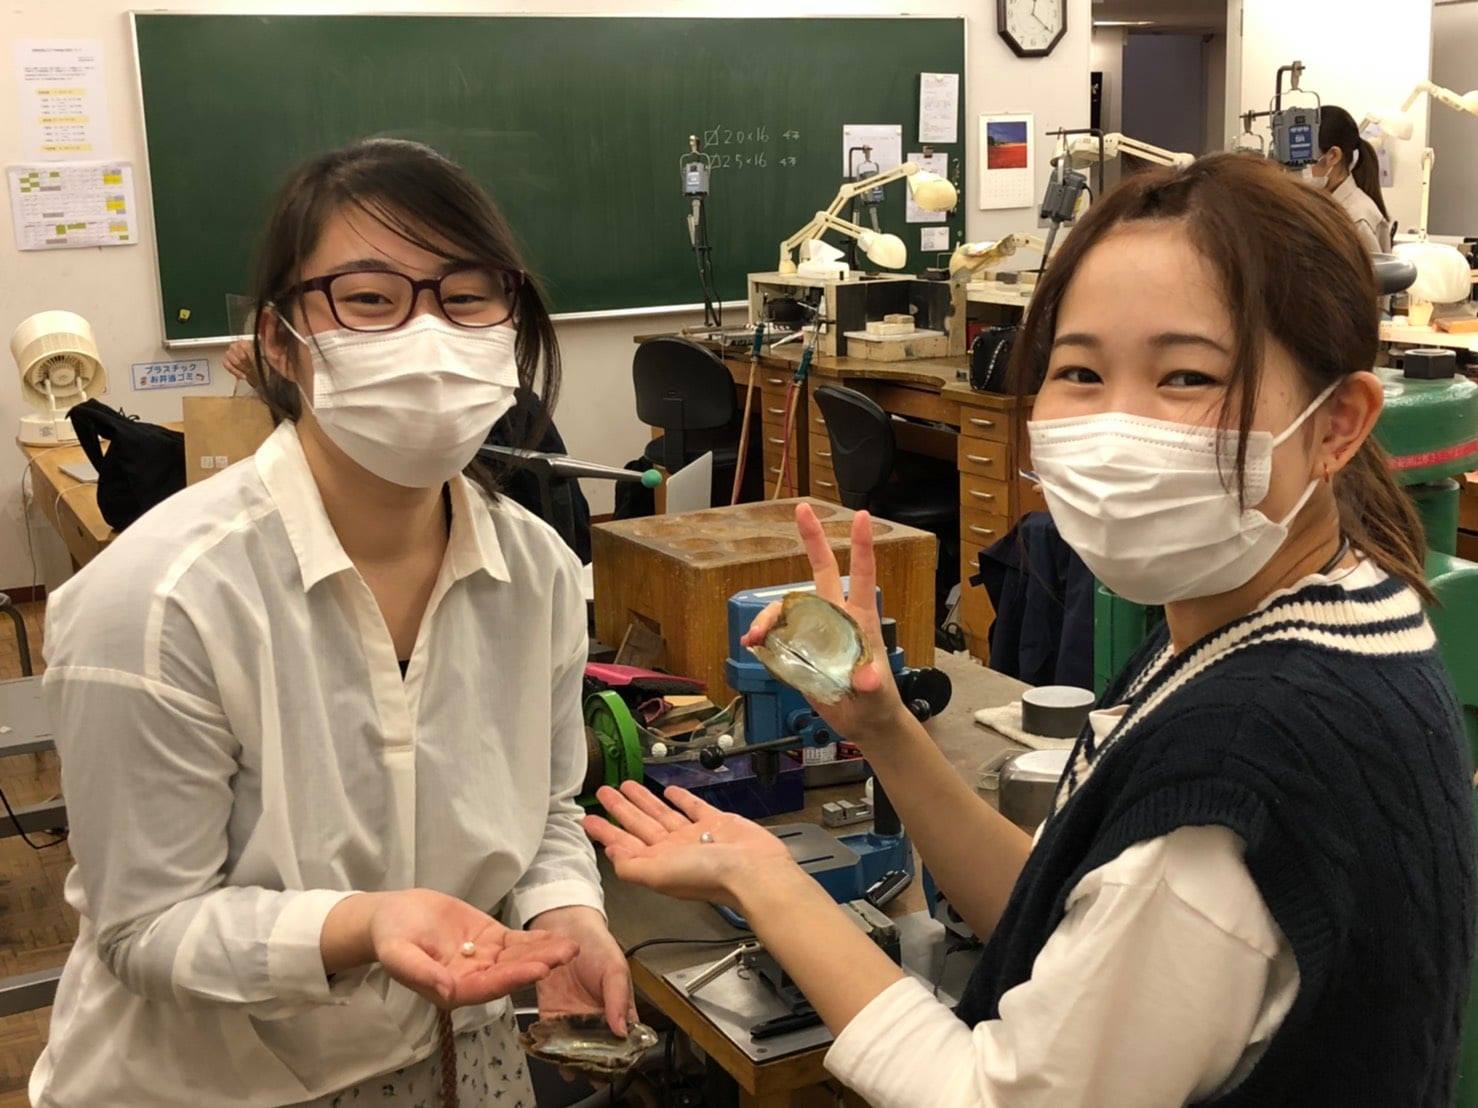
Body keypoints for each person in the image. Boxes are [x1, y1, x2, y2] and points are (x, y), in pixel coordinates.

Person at [586, 154, 1474, 1107]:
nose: (1117, 425)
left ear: (1338, 424)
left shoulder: (1245, 763)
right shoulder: (1281, 625)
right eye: (1080, 371)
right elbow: (1069, 914)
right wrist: (884, 729)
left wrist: (767, 881)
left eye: (1187, 376)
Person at [32, 139, 633, 1108]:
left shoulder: (541, 576)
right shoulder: (157, 600)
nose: (428, 335)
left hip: (462, 1058)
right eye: (369, 298)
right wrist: (361, 925)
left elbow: (547, 811)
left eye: (466, 296)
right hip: (218, 1085)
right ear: (280, 341)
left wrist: (567, 915)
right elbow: (143, 929)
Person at [1303, 104, 1393, 253]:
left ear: (1333, 156)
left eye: (1304, 159)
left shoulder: (1357, 221)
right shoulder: (1321, 205)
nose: (1297, 169)